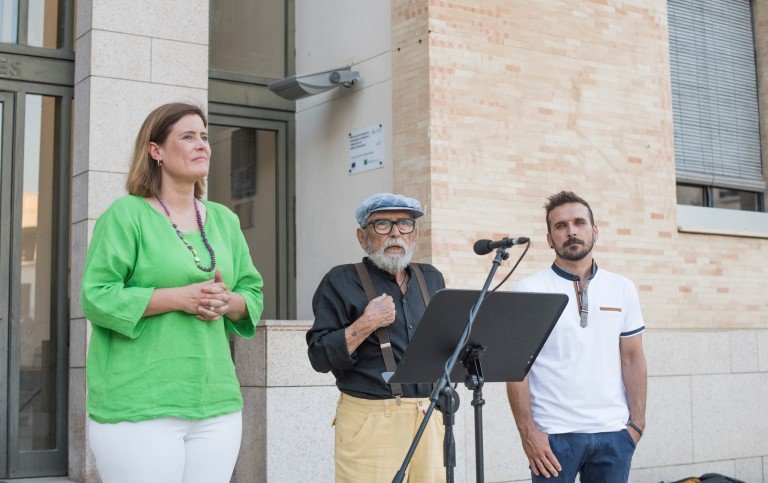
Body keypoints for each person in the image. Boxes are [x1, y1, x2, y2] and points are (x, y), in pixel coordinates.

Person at [81, 102, 264, 483]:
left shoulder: (225, 220)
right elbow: (97, 296)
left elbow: (252, 289)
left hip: (216, 402)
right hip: (140, 405)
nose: (202, 145)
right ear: (156, 151)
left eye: (204, 137)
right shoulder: (126, 215)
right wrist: (179, 298)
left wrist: (227, 302)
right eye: (187, 136)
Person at [506, 191, 647, 483]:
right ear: (549, 239)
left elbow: (632, 357)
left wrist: (636, 425)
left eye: (579, 222)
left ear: (594, 231)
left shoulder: (622, 288)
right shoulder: (530, 289)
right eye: (561, 226)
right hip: (554, 438)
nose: (571, 231)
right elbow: (517, 369)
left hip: (614, 434)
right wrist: (528, 433)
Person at [307, 193, 447, 482]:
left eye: (405, 225)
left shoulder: (431, 278)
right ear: (363, 237)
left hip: (428, 414)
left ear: (415, 234)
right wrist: (367, 322)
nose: (395, 233)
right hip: (370, 417)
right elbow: (319, 357)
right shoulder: (340, 280)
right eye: (382, 224)